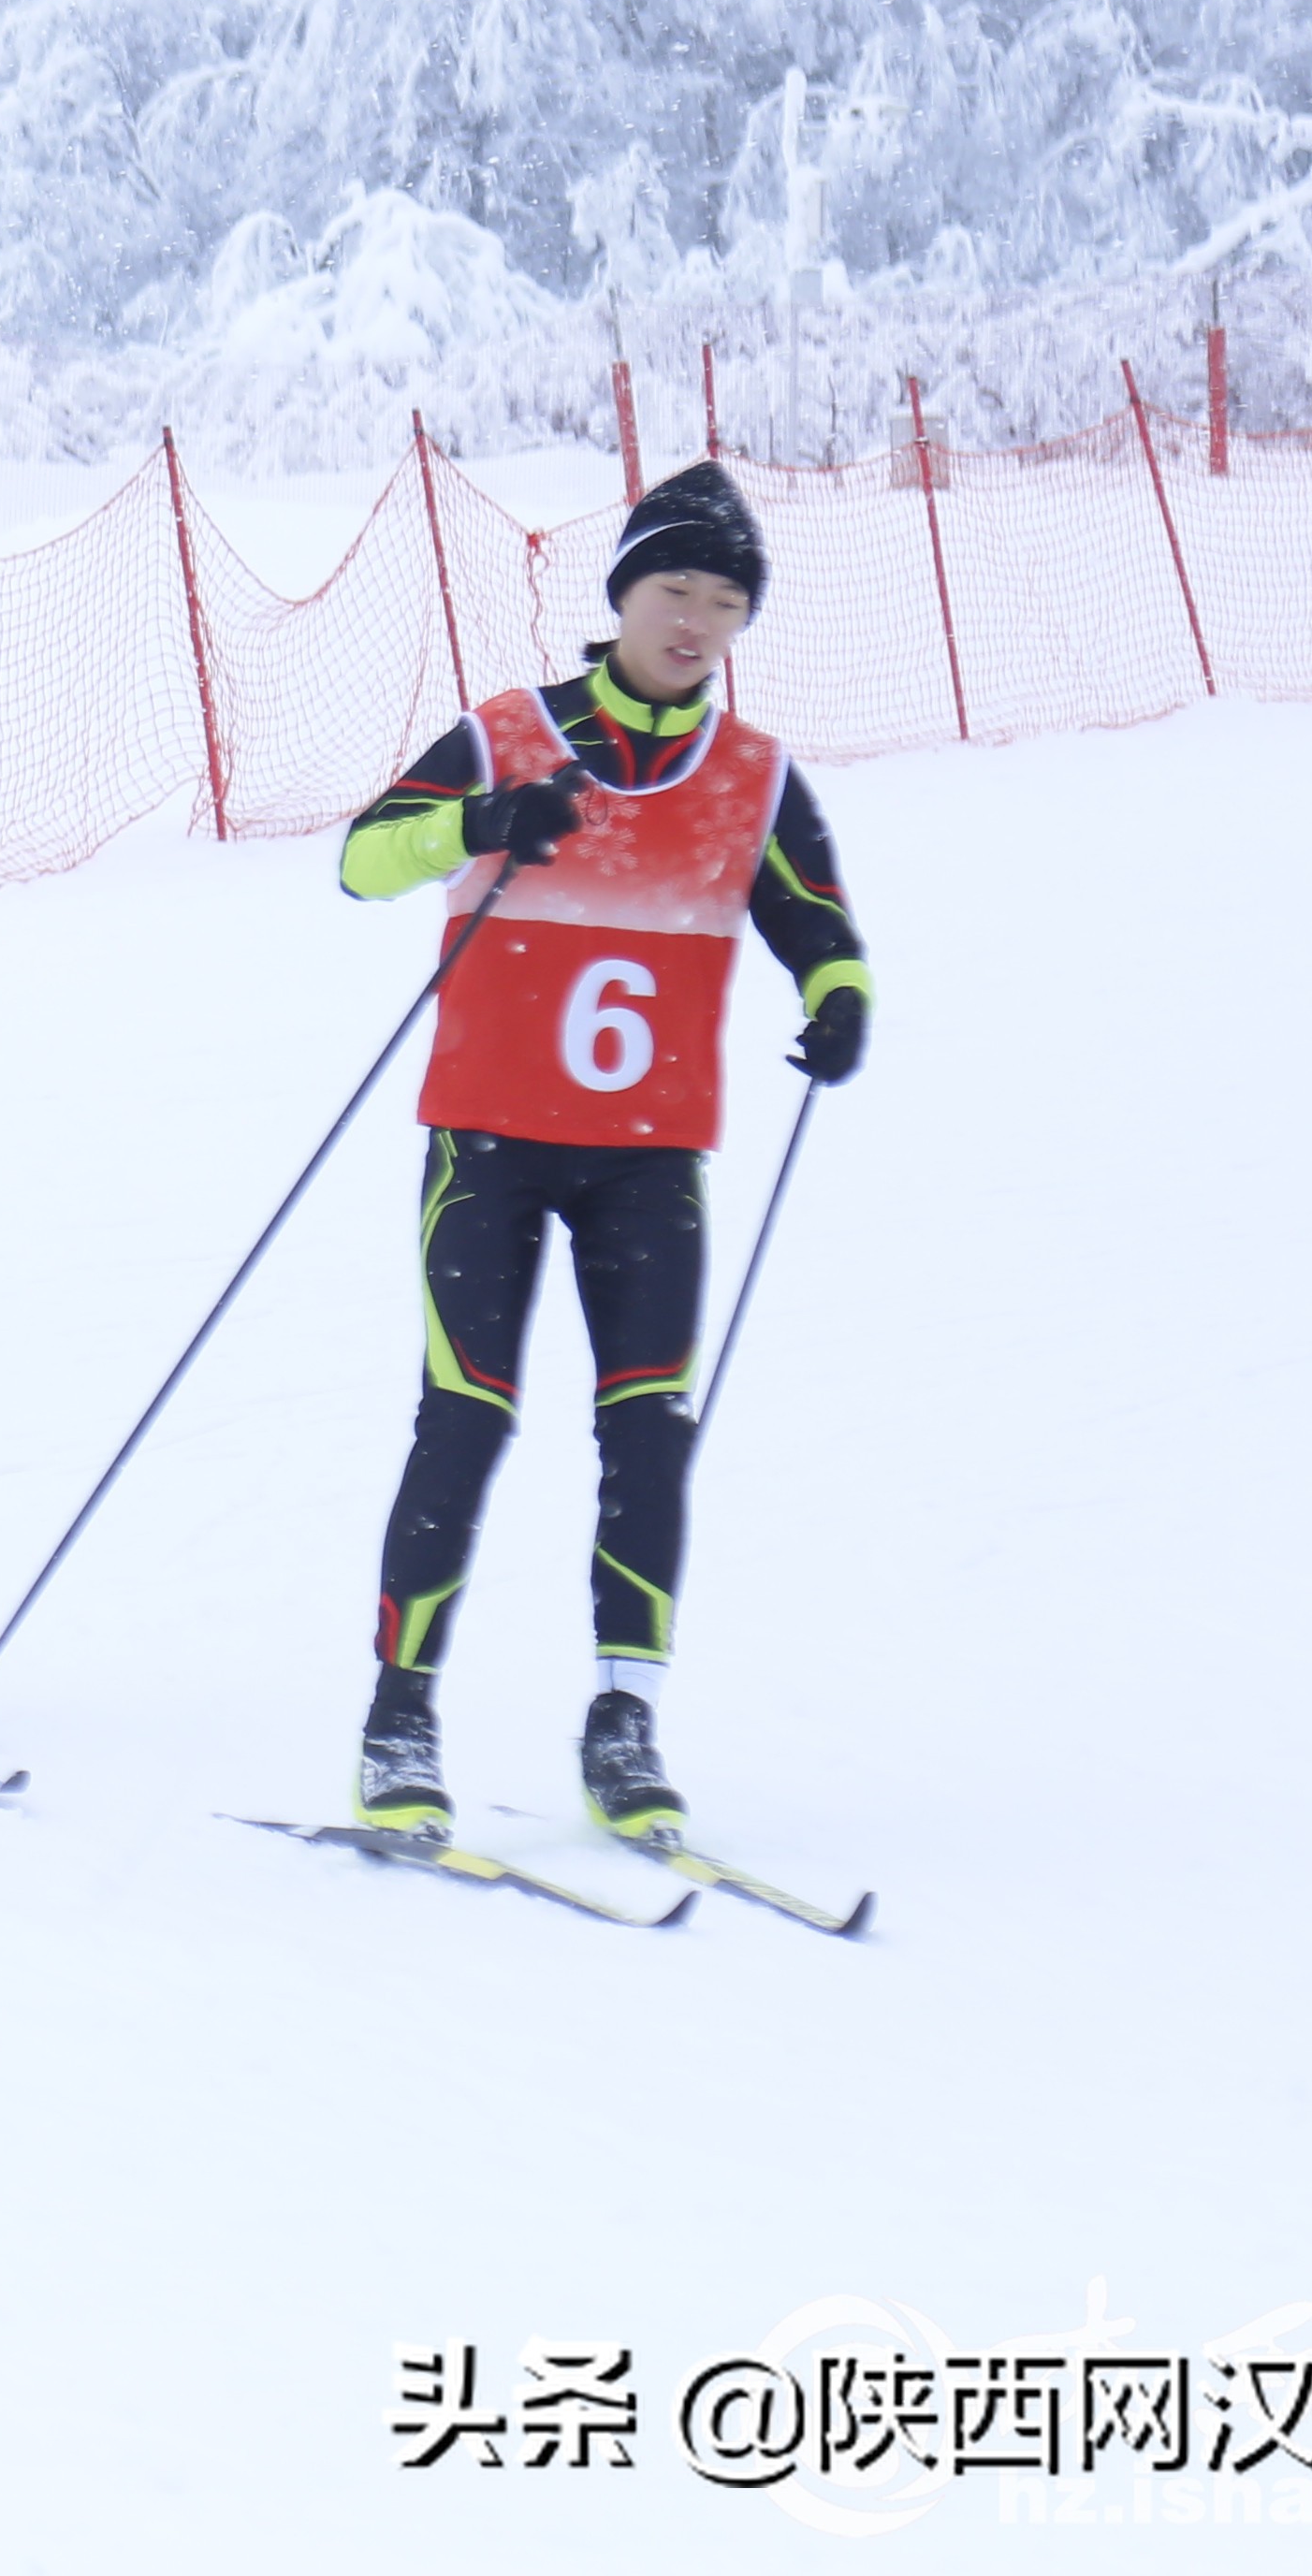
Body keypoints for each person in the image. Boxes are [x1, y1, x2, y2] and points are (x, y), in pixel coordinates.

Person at [331, 459, 870, 1849]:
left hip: (648, 1160)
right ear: (623, 593)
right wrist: (481, 822)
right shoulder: (512, 731)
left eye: (725, 601)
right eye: (674, 589)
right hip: (489, 1148)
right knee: (467, 1416)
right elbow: (363, 860)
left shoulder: (751, 776)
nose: (695, 621)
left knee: (647, 1431)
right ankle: (401, 1715)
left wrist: (838, 997)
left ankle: (622, 1722)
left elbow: (815, 920)